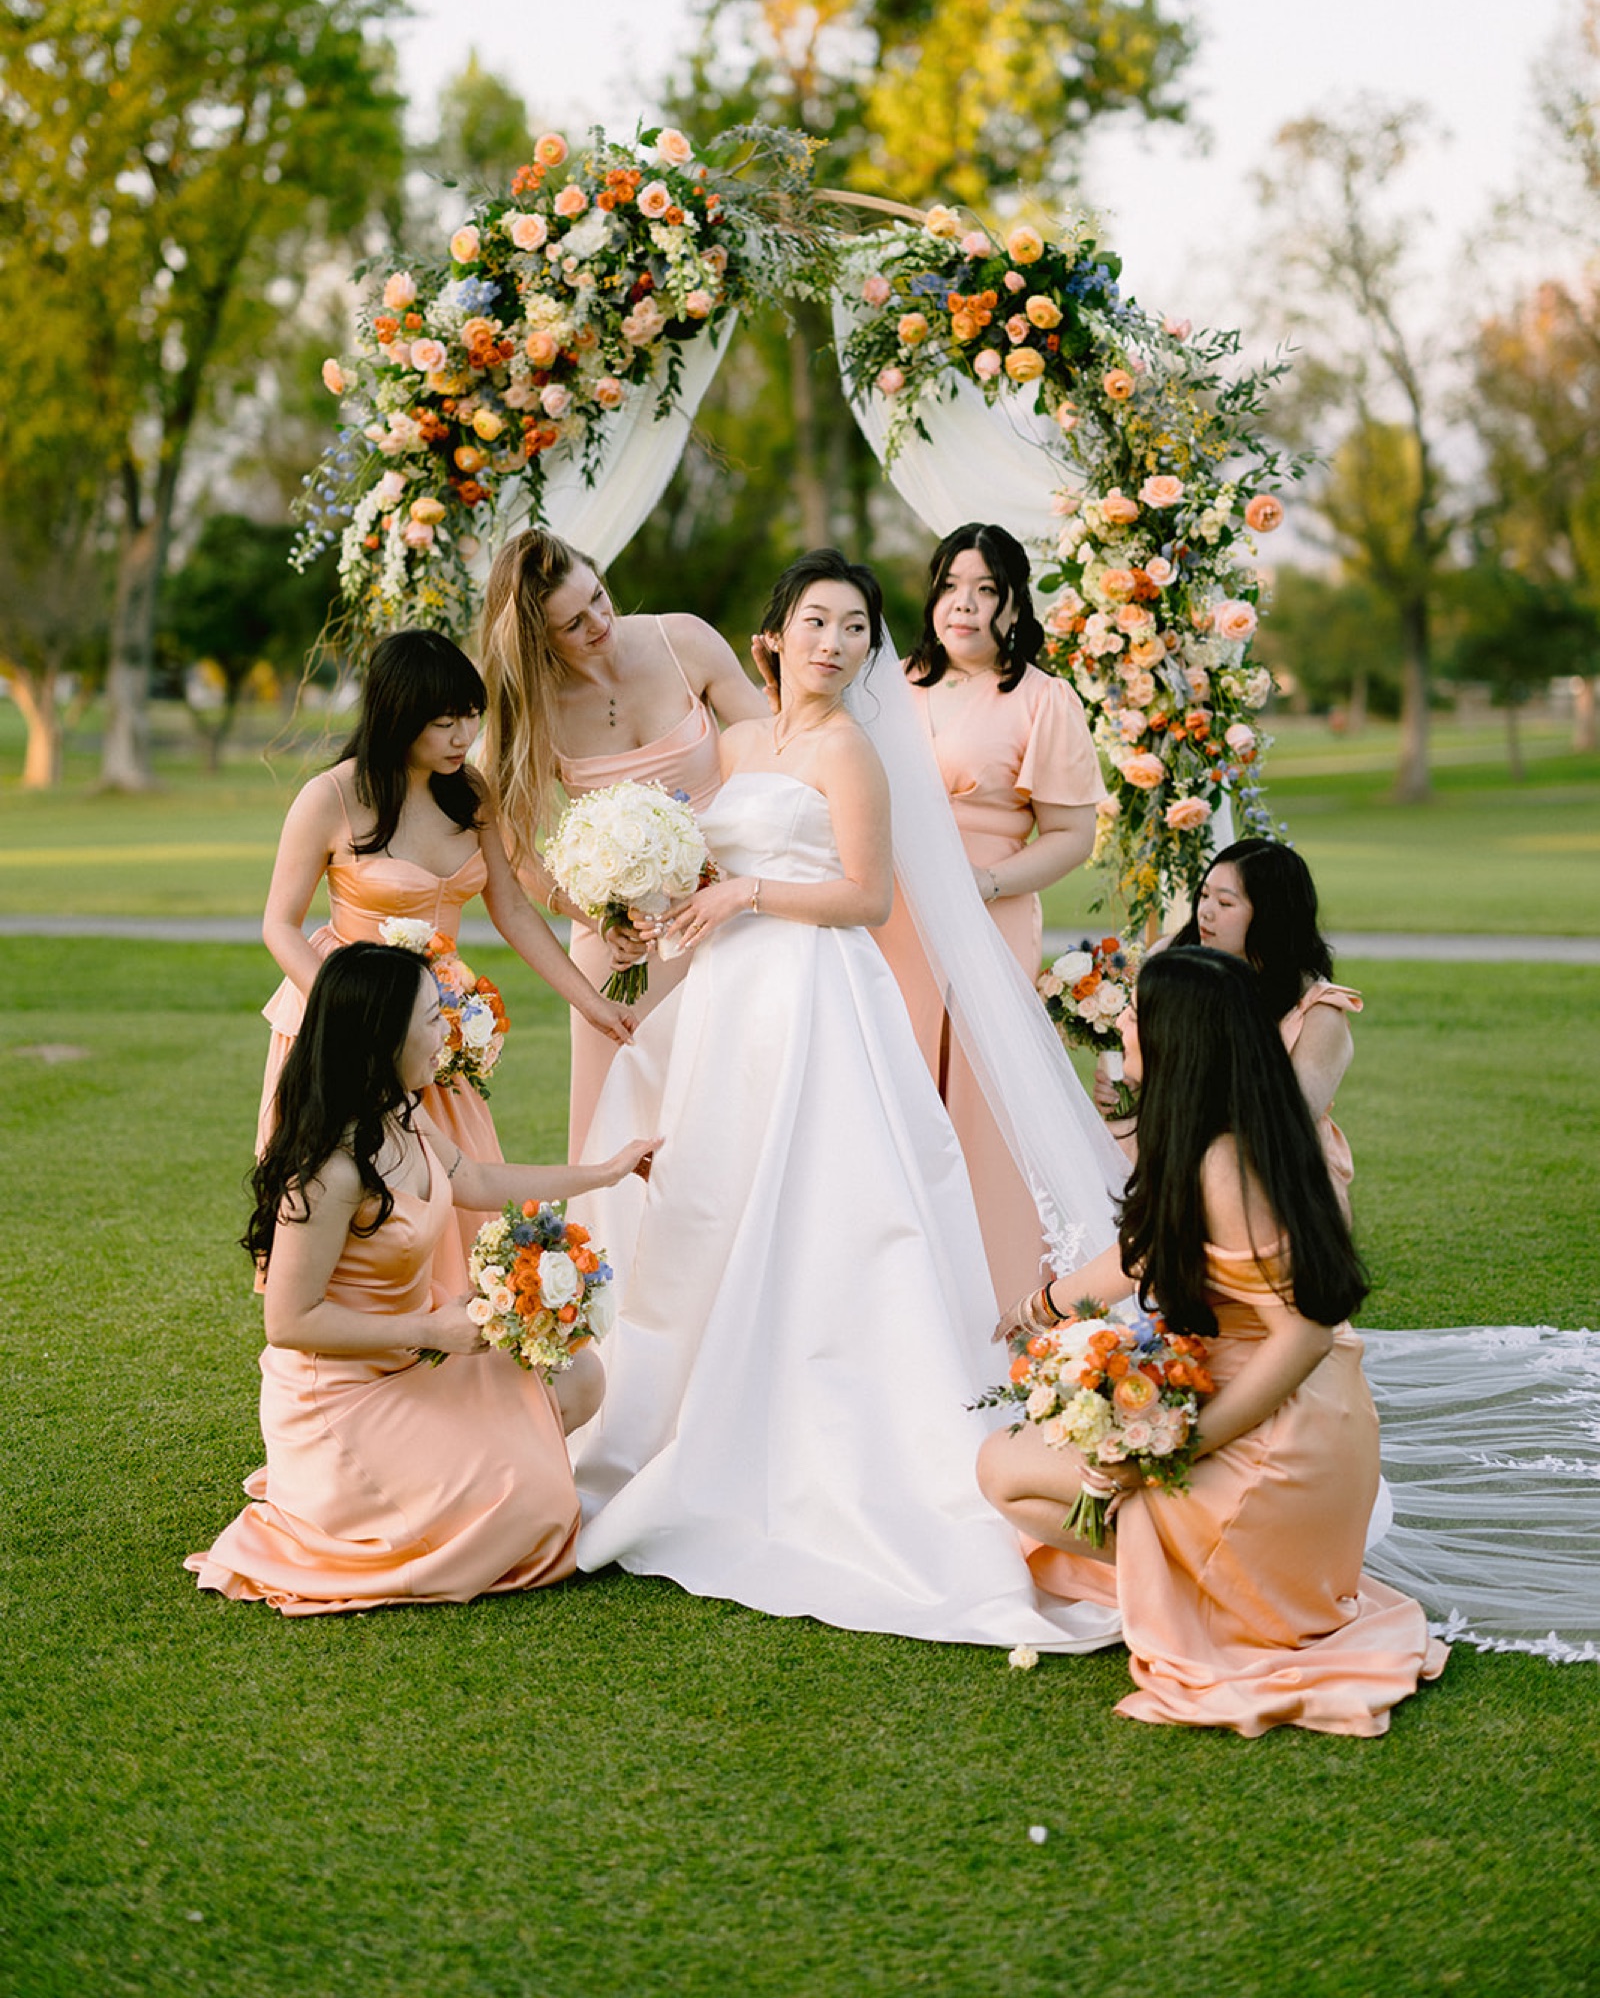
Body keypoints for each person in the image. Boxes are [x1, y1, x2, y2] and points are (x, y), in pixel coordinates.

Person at [571, 550, 1121, 1653]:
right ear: (772, 637)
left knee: (825, 1204)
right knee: (705, 1193)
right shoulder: (737, 743)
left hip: (814, 993)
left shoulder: (851, 749)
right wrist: (649, 901)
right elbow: (699, 865)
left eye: (857, 627)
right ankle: (683, 1409)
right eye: (816, 621)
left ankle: (821, 1425)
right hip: (727, 997)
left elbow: (866, 896)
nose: (835, 642)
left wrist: (747, 892)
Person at [978, 945, 1449, 1734]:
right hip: (1307, 1419)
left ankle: (1215, 1587)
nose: (1123, 1021)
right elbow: (1146, 1252)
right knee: (1039, 1462)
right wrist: (1041, 1305)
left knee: (1003, 1469)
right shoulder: (1224, 1130)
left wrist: (1178, 1444)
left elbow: (1300, 1336)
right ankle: (1203, 1565)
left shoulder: (1228, 1163)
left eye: (1136, 1017)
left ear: (1179, 1041)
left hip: (1280, 1441)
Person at [186, 944, 655, 1615]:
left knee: (582, 1379)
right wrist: (431, 1327)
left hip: (414, 1364)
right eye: (434, 1019)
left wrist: (605, 1171)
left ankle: (478, 1472)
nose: (448, 1032)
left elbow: (479, 1180)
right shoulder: (331, 1167)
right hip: (340, 1402)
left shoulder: (403, 1110)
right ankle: (365, 1501)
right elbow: (287, 1321)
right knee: (543, 1501)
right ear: (383, 1035)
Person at [258, 631, 634, 1212]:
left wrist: (592, 1002)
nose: (465, 737)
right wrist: (351, 1014)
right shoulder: (329, 796)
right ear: (399, 715)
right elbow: (279, 925)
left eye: (472, 717)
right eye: (445, 722)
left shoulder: (470, 794)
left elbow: (510, 909)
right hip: (345, 1019)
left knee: (457, 1186)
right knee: (353, 1196)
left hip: (436, 1024)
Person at [874, 523, 1104, 1313]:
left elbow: (1073, 835)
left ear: (1013, 603)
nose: (962, 605)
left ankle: (1000, 1294)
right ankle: (897, 1294)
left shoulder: (1043, 700)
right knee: (890, 1081)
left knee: (983, 1097)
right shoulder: (888, 687)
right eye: (949, 586)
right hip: (888, 914)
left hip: (988, 912)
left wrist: (988, 881)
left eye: (984, 590)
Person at [479, 529, 769, 1157]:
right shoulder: (531, 709)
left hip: (727, 919)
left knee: (728, 1123)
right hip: (623, 950)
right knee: (624, 1133)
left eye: (599, 597)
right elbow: (517, 853)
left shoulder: (682, 639)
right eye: (573, 623)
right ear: (538, 640)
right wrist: (598, 918)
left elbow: (773, 748)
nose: (600, 622)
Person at [1095, 837, 1360, 1198]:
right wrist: (1117, 1081)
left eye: (1224, 903)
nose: (1205, 912)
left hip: (1270, 1169)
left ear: (1271, 915)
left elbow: (1287, 1123)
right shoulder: (1173, 961)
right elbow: (1134, 1057)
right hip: (1169, 1138)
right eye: (1203, 896)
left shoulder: (1318, 1011)